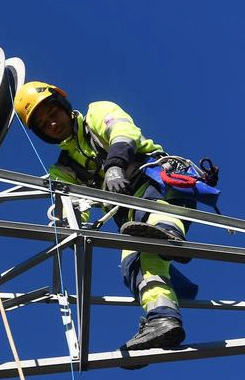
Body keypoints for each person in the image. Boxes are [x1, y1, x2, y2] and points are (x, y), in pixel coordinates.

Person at [13, 81, 198, 354]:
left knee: (153, 214)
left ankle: (169, 237)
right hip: (131, 220)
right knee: (133, 264)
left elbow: (123, 132)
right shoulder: (62, 170)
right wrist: (68, 220)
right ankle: (162, 319)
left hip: (158, 183)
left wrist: (114, 166)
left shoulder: (96, 113)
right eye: (43, 124)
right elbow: (74, 206)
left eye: (52, 114)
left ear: (63, 107)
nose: (52, 124)